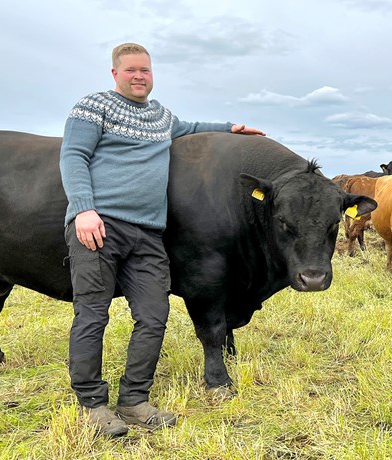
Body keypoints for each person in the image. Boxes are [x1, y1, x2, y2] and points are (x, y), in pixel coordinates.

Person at [59, 42, 265, 437]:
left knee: (154, 316)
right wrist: (83, 208)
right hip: (99, 225)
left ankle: (134, 400)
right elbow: (73, 156)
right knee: (92, 315)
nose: (140, 76)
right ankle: (92, 405)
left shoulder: (158, 116)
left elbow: (189, 129)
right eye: (132, 69)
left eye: (146, 70)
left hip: (149, 233)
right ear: (115, 73)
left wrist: (231, 129)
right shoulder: (93, 106)